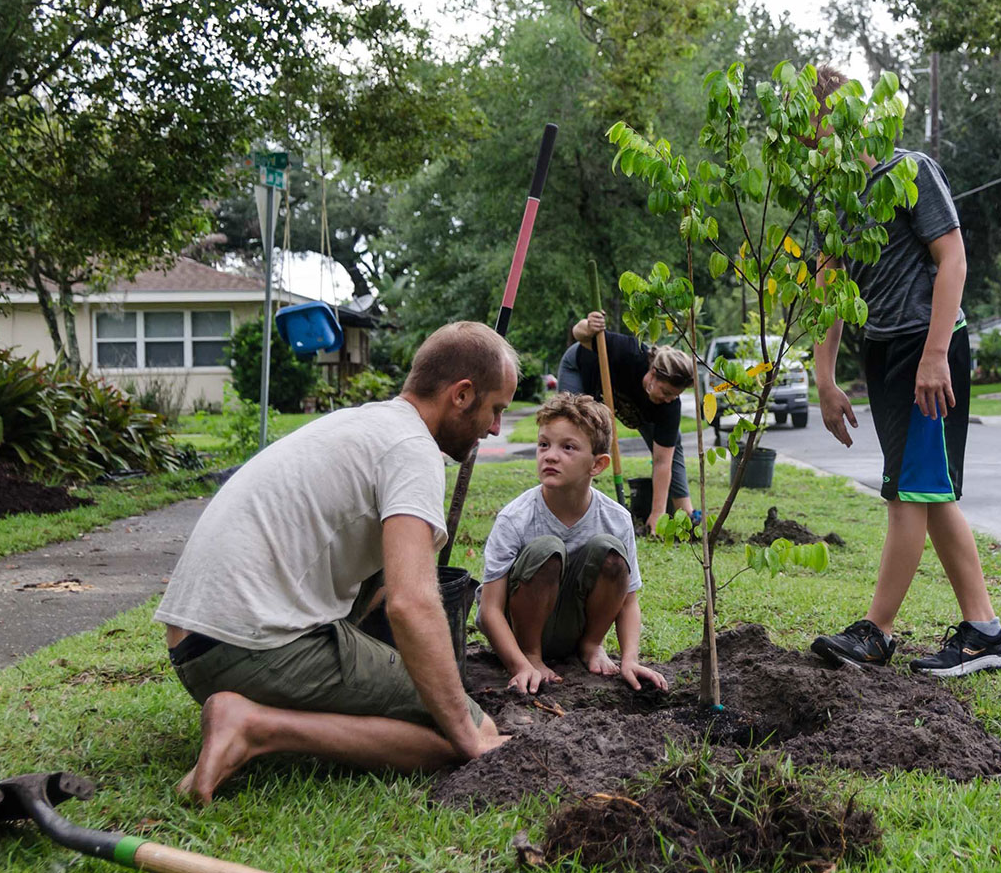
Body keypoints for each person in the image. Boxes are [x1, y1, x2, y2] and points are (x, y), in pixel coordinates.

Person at [153, 321, 519, 804]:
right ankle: (256, 727)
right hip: (250, 649)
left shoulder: (365, 423)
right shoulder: (412, 450)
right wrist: (468, 733)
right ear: (462, 394)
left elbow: (386, 582)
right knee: (468, 730)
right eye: (496, 409)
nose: (495, 427)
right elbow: (411, 603)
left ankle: (257, 714)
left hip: (195, 646)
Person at [807, 65, 1001, 678]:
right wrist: (825, 378)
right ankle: (985, 630)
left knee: (908, 491)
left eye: (819, 131)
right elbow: (828, 294)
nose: (814, 147)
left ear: (846, 119)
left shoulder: (910, 171)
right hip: (883, 351)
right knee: (929, 489)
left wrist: (932, 355)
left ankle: (877, 632)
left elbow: (952, 260)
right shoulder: (835, 201)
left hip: (930, 348)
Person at [477, 392, 668, 695]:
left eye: (568, 447)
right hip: (519, 630)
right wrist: (520, 664)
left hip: (575, 627)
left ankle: (591, 647)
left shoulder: (616, 518)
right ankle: (533, 655)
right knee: (546, 549)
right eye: (544, 444)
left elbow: (629, 600)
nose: (550, 455)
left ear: (597, 465)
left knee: (611, 553)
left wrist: (630, 659)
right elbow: (489, 610)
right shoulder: (516, 517)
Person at [554, 313, 697, 533]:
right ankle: (569, 504)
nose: (669, 399)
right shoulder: (628, 352)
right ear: (653, 372)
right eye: (666, 392)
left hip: (634, 406)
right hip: (581, 369)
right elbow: (579, 333)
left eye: (674, 396)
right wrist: (589, 326)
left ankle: (685, 514)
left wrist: (657, 514)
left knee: (671, 443)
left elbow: (662, 462)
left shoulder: (668, 405)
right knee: (576, 433)